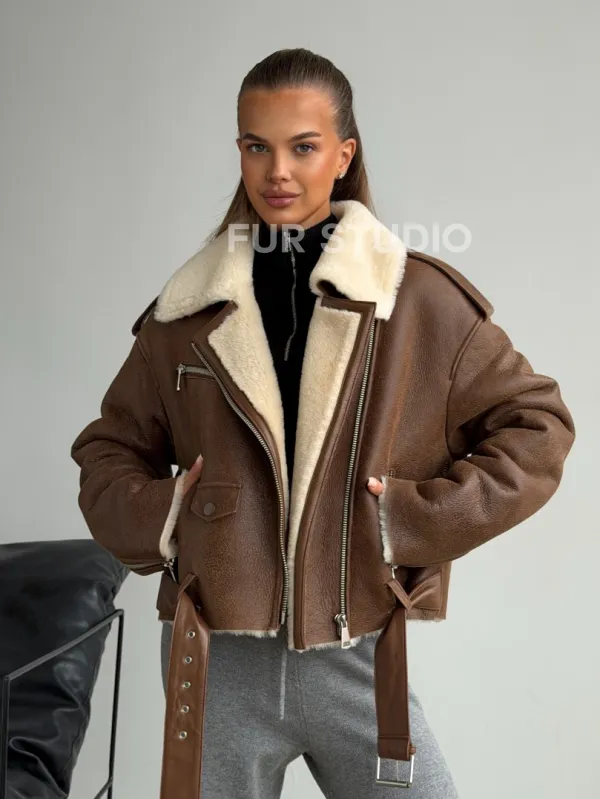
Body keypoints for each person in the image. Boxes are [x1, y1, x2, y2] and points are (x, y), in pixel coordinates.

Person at [70, 48, 575, 799]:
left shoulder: (415, 299)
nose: (278, 170)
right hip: (215, 662)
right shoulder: (185, 312)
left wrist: (405, 520)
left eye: (303, 147)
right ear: (239, 150)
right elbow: (107, 452)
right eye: (257, 146)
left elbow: (538, 425)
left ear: (343, 155)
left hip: (357, 654)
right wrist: (172, 514)